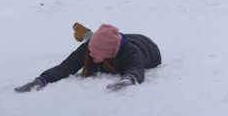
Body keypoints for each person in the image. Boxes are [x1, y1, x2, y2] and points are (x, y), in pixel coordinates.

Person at [14, 23, 162, 92]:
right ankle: (88, 35)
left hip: (146, 46)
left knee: (101, 45)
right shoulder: (90, 48)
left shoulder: (131, 52)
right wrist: (43, 79)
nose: (91, 56)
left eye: (95, 55)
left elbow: (135, 68)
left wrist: (128, 79)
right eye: (91, 51)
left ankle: (88, 34)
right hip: (110, 43)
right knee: (97, 44)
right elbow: (66, 66)